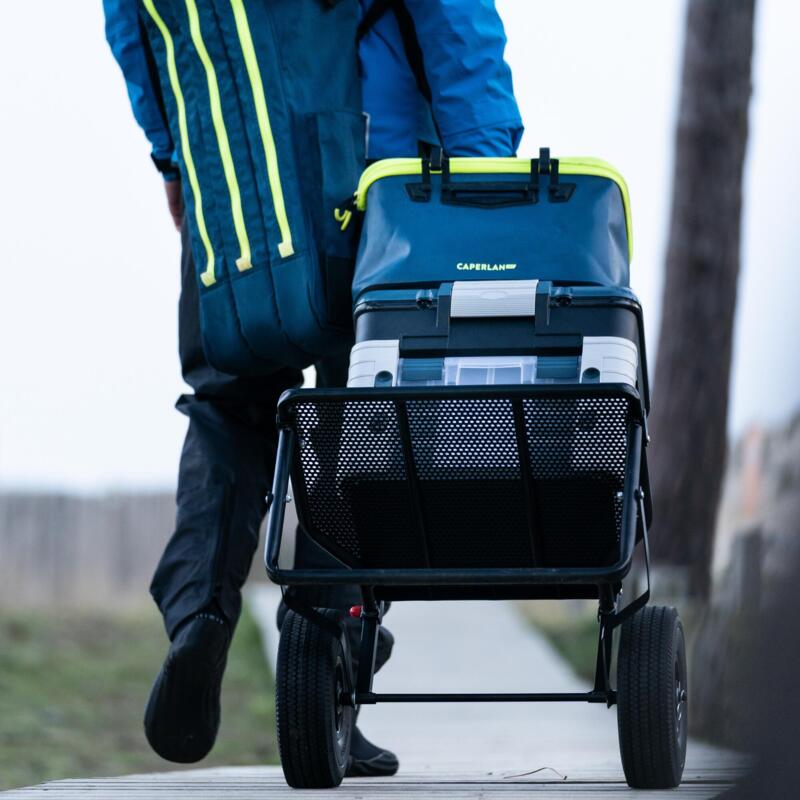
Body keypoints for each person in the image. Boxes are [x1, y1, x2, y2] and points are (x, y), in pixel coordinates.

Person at [104, 0, 523, 777]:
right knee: (363, 420)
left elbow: (131, 30)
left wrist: (174, 161)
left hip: (236, 193)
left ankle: (199, 613)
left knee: (226, 406)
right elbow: (456, 22)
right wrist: (484, 170)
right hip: (374, 177)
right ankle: (328, 664)